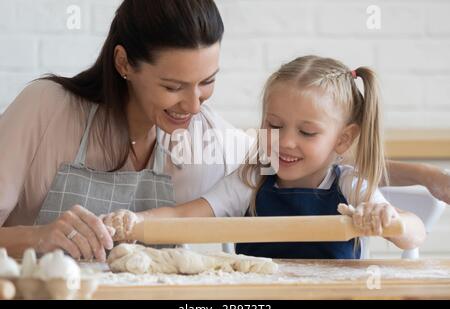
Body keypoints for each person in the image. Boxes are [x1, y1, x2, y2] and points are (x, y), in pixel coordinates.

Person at [0, 0, 445, 261]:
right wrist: (37, 238)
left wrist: (426, 178)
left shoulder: (207, 132)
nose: (194, 106)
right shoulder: (47, 109)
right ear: (123, 64)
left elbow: (315, 162)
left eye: (207, 83)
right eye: (173, 87)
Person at [110, 56, 426, 259]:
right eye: (274, 125)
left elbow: (414, 234)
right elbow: (185, 217)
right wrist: (133, 222)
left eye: (307, 132)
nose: (285, 142)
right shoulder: (250, 181)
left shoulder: (350, 185)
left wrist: (390, 220)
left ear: (342, 139)